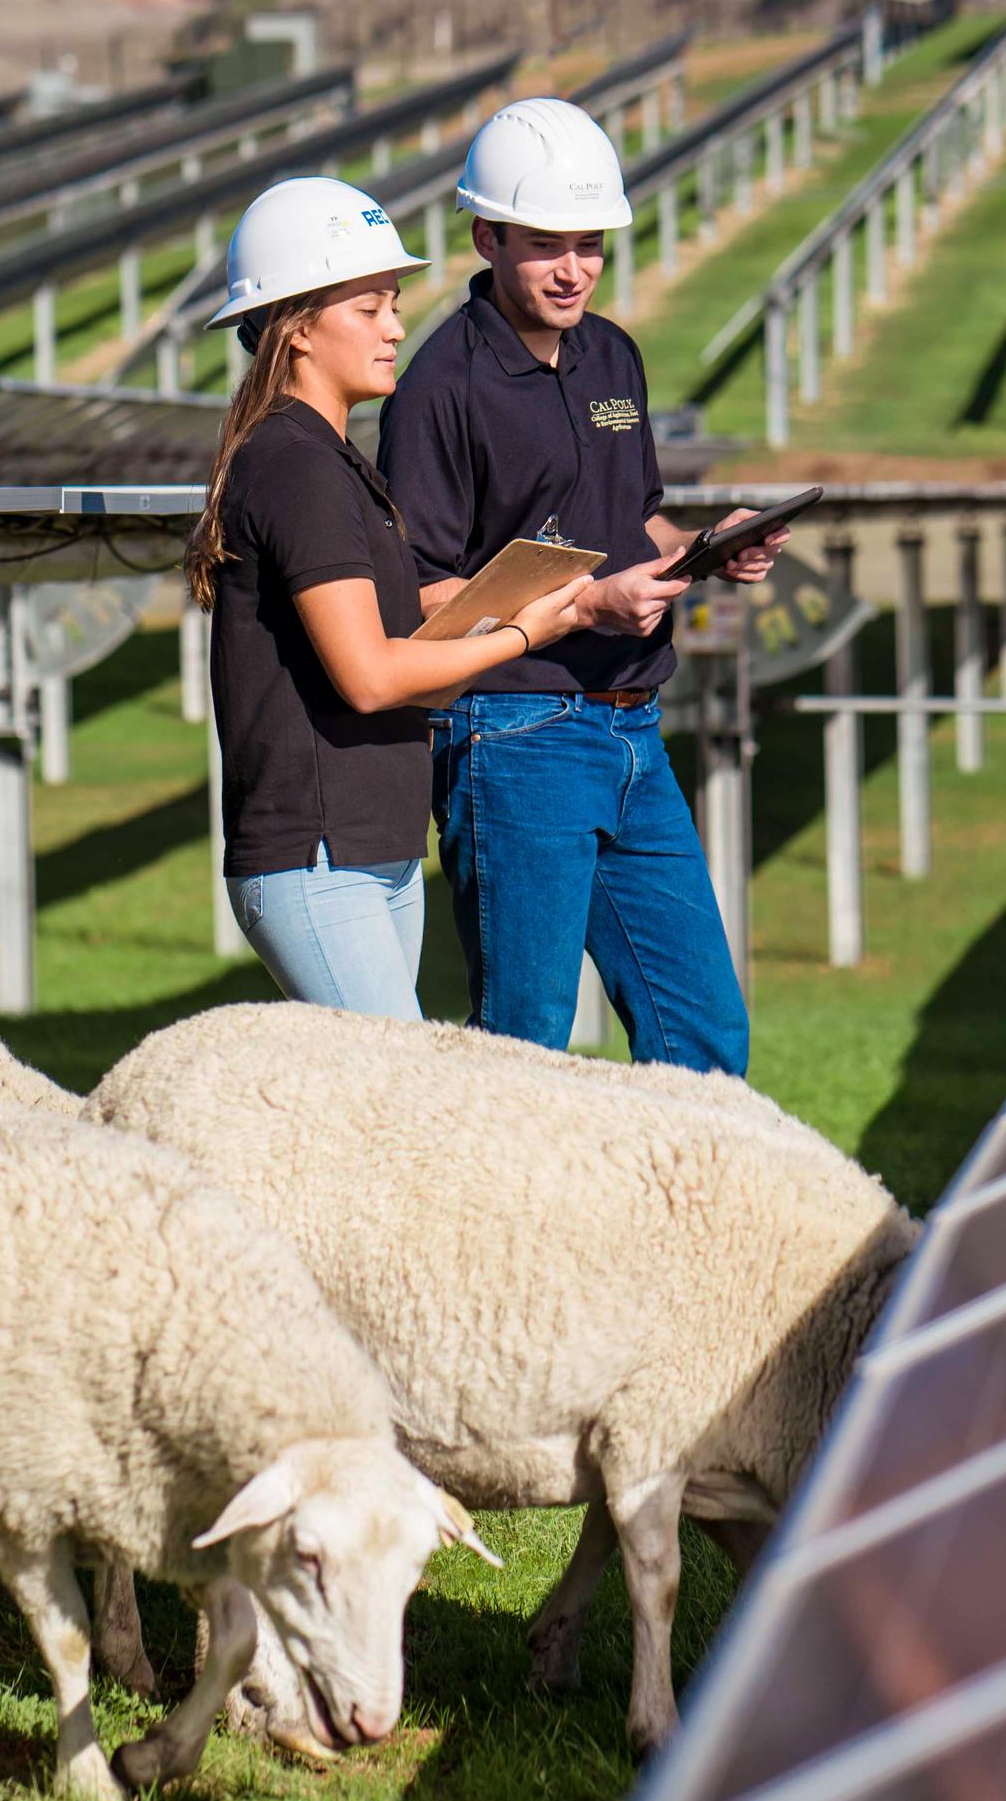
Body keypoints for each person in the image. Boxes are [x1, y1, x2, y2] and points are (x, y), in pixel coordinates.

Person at [381, 95, 788, 1073]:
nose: (573, 268)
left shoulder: (614, 354)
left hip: (633, 728)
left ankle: (691, 1228)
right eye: (545, 244)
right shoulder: (440, 386)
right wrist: (578, 607)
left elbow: (635, 519)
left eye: (590, 244)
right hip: (513, 736)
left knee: (705, 1035)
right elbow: (425, 601)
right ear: (486, 236)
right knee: (526, 1045)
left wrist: (708, 543)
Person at [188, 176, 595, 1018]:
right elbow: (371, 675)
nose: (398, 328)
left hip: (371, 852)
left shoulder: (333, 460)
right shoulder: (298, 466)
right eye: (370, 308)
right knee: (398, 1114)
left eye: (396, 304)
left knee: (369, 1122)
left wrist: (483, 604)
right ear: (297, 328)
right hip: (318, 860)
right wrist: (522, 634)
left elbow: (392, 648)